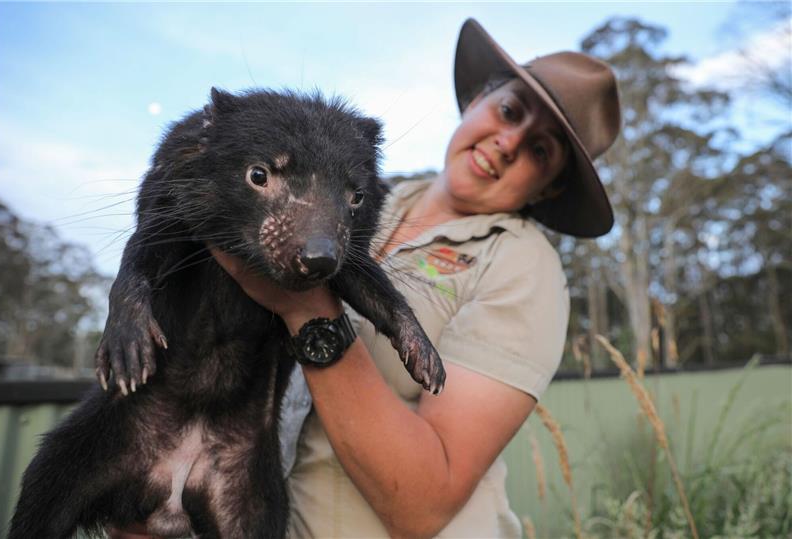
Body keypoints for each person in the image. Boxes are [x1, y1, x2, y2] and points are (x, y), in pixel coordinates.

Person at [113, 17, 620, 539]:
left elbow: (423, 504)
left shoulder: (521, 264)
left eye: (541, 150)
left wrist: (306, 308)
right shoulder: (360, 190)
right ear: (476, 100)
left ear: (549, 189)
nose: (510, 141)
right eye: (510, 110)